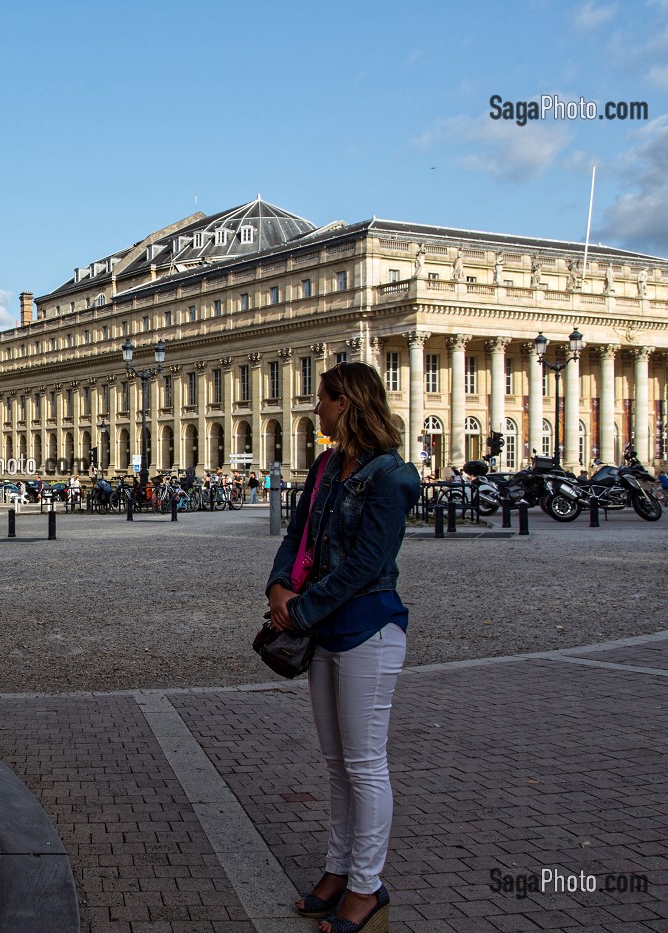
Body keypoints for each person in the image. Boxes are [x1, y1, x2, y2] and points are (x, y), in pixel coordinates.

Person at [264, 362, 419, 933]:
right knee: (336, 765)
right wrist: (278, 584)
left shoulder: (390, 476)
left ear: (347, 403)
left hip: (369, 628)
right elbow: (296, 534)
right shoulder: (327, 464)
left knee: (365, 763)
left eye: (323, 398)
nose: (315, 408)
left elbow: (366, 565)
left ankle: (365, 886)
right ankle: (337, 869)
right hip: (325, 630)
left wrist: (298, 610)